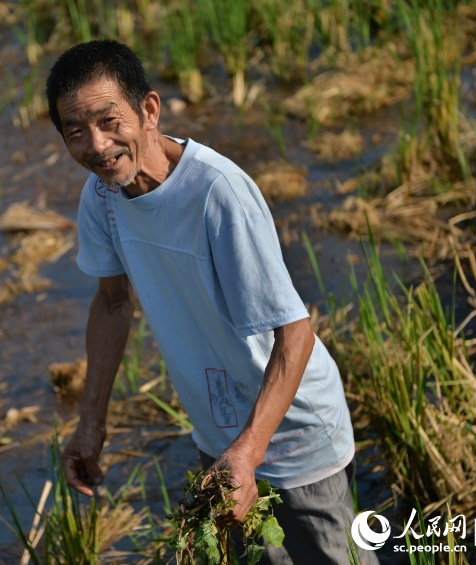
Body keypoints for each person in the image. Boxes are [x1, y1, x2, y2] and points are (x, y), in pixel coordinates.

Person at [46, 39, 378, 565]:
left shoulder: (217, 193)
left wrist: (250, 450)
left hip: (291, 435)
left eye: (111, 121)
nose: (98, 145)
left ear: (148, 110)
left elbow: (295, 331)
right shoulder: (103, 198)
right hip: (220, 436)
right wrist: (92, 424)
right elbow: (112, 304)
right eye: (76, 132)